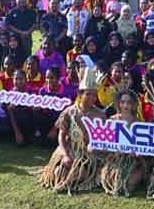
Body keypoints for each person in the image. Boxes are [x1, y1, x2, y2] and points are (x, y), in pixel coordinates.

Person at [39, 66, 107, 194]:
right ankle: (62, 179)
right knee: (58, 172)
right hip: (70, 149)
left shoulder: (100, 115)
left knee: (80, 173)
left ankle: (70, 181)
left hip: (89, 153)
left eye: (94, 95)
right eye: (88, 94)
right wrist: (65, 155)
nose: (92, 98)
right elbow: (61, 135)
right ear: (80, 95)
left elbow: (99, 140)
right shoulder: (69, 111)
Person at [99, 90, 149, 196]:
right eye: (122, 102)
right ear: (118, 103)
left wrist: (137, 153)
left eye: (129, 102)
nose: (125, 105)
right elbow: (105, 143)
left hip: (133, 160)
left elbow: (143, 147)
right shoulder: (111, 121)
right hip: (116, 159)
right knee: (113, 182)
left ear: (134, 104)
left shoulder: (139, 123)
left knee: (129, 185)